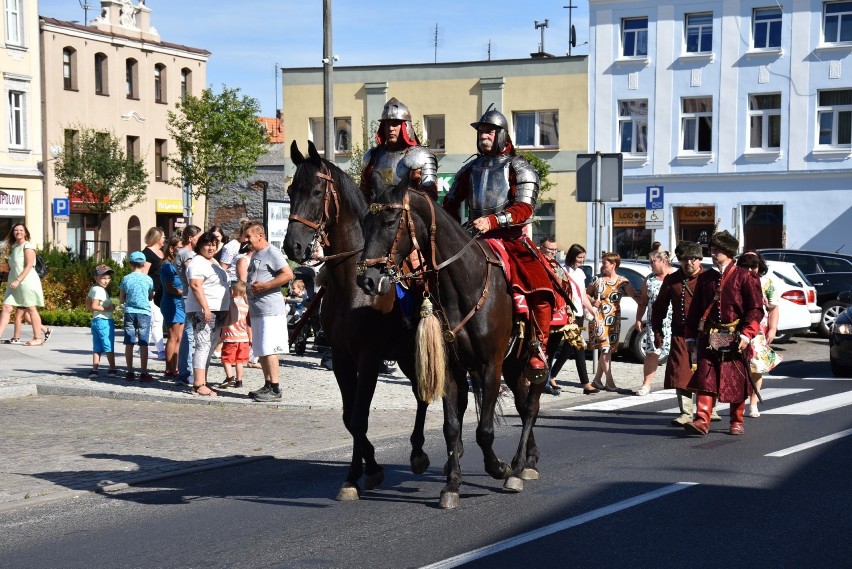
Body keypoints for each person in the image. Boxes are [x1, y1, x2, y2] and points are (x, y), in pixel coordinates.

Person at [443, 108, 563, 382]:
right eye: (480, 131)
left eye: (489, 131)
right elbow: (450, 203)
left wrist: (494, 221)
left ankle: (538, 349)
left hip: (509, 238)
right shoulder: (470, 168)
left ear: (501, 134)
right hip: (472, 234)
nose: (483, 135)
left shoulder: (519, 166)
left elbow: (524, 207)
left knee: (541, 285)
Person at [684, 230, 763, 436]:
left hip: (736, 337)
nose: (713, 252)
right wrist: (691, 335)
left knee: (735, 379)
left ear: (729, 252)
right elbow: (695, 310)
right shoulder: (705, 278)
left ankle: (736, 421)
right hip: (709, 337)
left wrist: (747, 334)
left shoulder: (745, 277)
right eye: (712, 249)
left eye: (717, 249)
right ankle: (701, 420)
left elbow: (755, 309)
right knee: (705, 378)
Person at [652, 241, 707, 425]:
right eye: (684, 259)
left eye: (692, 259)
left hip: (706, 334)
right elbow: (659, 307)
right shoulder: (672, 279)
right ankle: (686, 412)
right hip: (681, 333)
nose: (688, 263)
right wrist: (657, 329)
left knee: (707, 372)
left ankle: (708, 409)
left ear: (699, 260)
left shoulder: (710, 278)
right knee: (680, 372)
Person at [242, 221, 294, 402]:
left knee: (270, 348)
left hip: (270, 310)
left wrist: (266, 286)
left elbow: (288, 274)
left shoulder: (272, 252)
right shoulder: (257, 254)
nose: (246, 240)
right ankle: (267, 384)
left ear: (260, 236)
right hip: (257, 309)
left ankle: (275, 388)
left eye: (249, 236)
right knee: (261, 348)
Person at [359, 97, 438, 202]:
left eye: (395, 124)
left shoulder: (420, 156)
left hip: (409, 214)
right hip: (377, 214)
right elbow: (364, 194)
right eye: (387, 124)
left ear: (405, 127)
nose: (390, 128)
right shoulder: (372, 157)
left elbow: (429, 198)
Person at [549, 244, 600, 395]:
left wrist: (592, 311)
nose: (582, 261)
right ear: (572, 255)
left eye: (583, 258)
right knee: (560, 345)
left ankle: (552, 375)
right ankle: (585, 383)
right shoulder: (561, 270)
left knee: (570, 348)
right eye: (579, 257)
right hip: (565, 313)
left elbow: (583, 296)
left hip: (578, 314)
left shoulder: (580, 273)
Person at [185, 231, 231, 396]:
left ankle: (203, 379)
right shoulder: (197, 262)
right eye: (207, 244)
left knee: (210, 346)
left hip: (216, 310)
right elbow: (196, 285)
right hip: (202, 310)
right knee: (203, 344)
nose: (211, 248)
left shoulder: (213, 262)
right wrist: (205, 308)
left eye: (213, 244)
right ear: (200, 245)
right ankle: (198, 384)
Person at [587, 251, 640, 391]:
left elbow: (635, 296)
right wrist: (593, 301)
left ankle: (597, 380)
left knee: (608, 350)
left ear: (613, 265)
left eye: (605, 263)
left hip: (614, 320)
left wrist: (648, 302)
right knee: (605, 348)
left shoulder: (622, 282)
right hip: (599, 319)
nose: (602, 265)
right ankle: (610, 381)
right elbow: (586, 294)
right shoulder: (596, 280)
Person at [736, 250, 779, 418]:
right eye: (745, 266)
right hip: (738, 328)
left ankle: (753, 404)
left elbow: (774, 307)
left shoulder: (766, 283)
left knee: (756, 368)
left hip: (758, 331)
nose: (750, 269)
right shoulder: (734, 281)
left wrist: (773, 328)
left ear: (759, 266)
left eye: (753, 266)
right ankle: (736, 402)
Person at [0, 223, 51, 346]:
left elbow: (29, 265)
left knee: (31, 309)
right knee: (6, 307)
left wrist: (18, 280)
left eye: (21, 230)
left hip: (26, 281)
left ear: (25, 233)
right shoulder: (14, 247)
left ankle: (37, 338)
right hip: (14, 283)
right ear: (13, 233)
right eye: (16, 230)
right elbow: (13, 267)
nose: (18, 232)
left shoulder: (28, 246)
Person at [633, 248, 675, 396]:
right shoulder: (649, 279)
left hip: (674, 321)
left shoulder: (676, 276)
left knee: (679, 353)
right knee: (652, 352)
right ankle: (646, 385)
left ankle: (680, 383)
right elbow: (643, 301)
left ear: (662, 261)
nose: (651, 264)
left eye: (653, 261)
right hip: (655, 322)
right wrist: (638, 318)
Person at [120, 251, 155, 382]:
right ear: (144, 264)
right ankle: (143, 372)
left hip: (130, 312)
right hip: (144, 313)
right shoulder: (148, 279)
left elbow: (122, 298)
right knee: (144, 343)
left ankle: (129, 371)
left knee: (129, 342)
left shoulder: (126, 278)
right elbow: (151, 295)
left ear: (130, 264)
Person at [176, 225, 202, 384]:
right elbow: (192, 272)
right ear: (191, 238)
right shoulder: (186, 253)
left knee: (191, 335)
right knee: (190, 335)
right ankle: (187, 372)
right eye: (198, 237)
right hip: (189, 296)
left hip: (191, 296)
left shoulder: (191, 253)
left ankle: (187, 371)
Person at [159, 236, 185, 379]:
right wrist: (185, 292)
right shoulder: (167, 265)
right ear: (171, 248)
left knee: (180, 337)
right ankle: (169, 368)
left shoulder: (178, 263)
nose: (182, 250)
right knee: (172, 336)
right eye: (179, 247)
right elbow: (169, 288)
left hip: (181, 303)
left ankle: (176, 366)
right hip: (171, 302)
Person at [86, 264, 118, 378]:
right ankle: (112, 368)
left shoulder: (94, 288)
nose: (106, 281)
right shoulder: (100, 290)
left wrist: (93, 311)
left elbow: (88, 304)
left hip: (96, 320)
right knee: (108, 345)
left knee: (97, 346)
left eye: (108, 278)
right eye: (103, 278)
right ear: (96, 277)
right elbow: (94, 305)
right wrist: (109, 309)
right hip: (105, 321)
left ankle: (95, 369)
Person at [218, 280, 251, 389]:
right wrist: (251, 338)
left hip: (230, 337)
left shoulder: (229, 304)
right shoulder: (246, 307)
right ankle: (239, 380)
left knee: (226, 359)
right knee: (239, 361)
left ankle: (229, 377)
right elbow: (248, 324)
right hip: (244, 338)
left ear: (231, 291)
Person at [141, 227, 166, 360]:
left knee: (156, 320)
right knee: (155, 319)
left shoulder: (161, 252)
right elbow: (144, 274)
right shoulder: (147, 253)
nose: (164, 239)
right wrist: (148, 291)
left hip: (162, 290)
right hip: (152, 291)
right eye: (163, 237)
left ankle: (149, 348)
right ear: (156, 238)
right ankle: (158, 349)